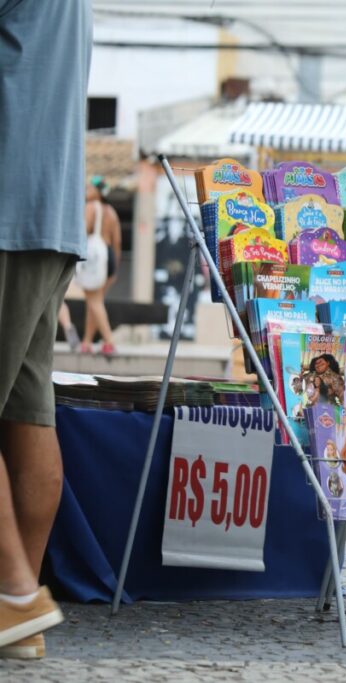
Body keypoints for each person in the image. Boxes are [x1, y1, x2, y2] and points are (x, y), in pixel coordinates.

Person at [0, 0, 92, 660]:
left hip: (7, 205)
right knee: (28, 414)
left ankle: (15, 594)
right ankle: (18, 618)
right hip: (49, 210)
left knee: (27, 413)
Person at [80, 178, 121, 356]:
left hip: (96, 259)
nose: (86, 190)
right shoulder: (111, 212)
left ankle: (109, 341)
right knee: (95, 301)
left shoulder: (90, 207)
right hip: (109, 256)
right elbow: (117, 242)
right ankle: (87, 341)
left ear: (98, 192)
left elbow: (83, 231)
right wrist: (115, 269)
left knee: (94, 301)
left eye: (90, 187)